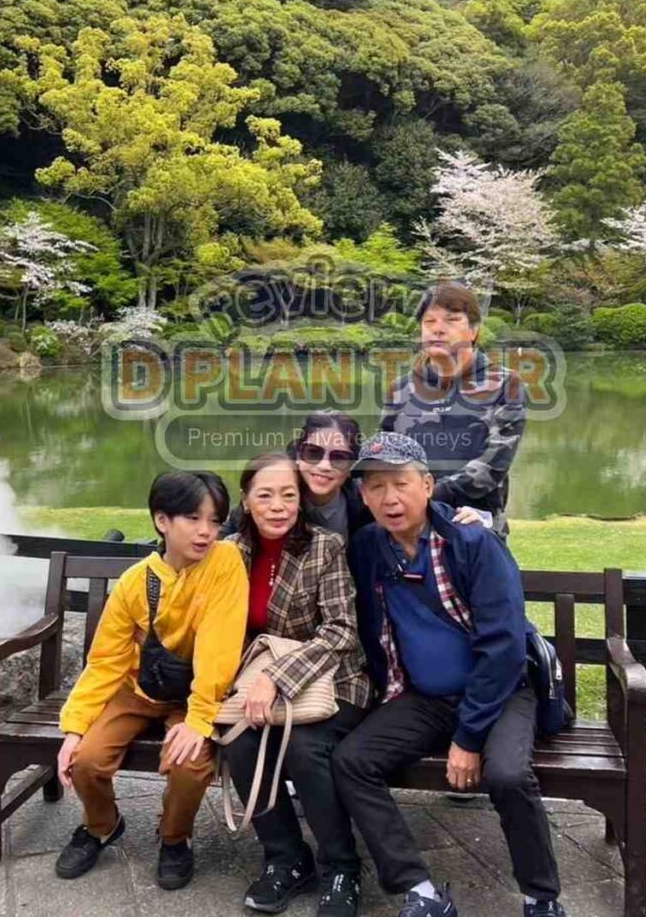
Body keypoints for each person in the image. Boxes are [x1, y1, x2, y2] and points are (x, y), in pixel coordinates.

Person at [333, 431, 565, 917]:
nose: (390, 498)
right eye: (375, 486)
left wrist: (469, 735)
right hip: (423, 698)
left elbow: (503, 648)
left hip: (501, 693)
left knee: (507, 774)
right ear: (362, 495)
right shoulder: (368, 547)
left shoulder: (472, 542)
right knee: (352, 761)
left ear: (427, 485)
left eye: (401, 483)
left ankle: (540, 896)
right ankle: (419, 890)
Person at [55, 471, 249, 890]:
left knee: (189, 765)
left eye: (215, 520)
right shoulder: (134, 582)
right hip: (138, 689)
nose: (206, 531)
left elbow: (219, 647)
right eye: (193, 518)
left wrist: (199, 719)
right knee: (85, 760)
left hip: (195, 693)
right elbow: (105, 661)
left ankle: (175, 837)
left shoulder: (225, 563)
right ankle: (101, 826)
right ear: (162, 520)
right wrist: (74, 727)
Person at [222, 451, 371, 917]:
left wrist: (278, 677)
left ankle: (342, 866)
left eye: (288, 495)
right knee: (240, 742)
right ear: (246, 500)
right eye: (265, 495)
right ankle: (286, 859)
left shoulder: (325, 547)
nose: (278, 506)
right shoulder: (229, 553)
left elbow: (342, 632)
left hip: (334, 681)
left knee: (305, 749)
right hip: (257, 685)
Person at [381, 281, 526, 537]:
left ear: (474, 330)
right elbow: (384, 454)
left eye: (451, 320)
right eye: (429, 321)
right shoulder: (401, 388)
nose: (438, 329)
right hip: (409, 529)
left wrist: (426, 495)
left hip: (476, 526)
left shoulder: (505, 384)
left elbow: (494, 463)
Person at [220, 411, 490, 543]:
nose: (324, 466)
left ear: (352, 465)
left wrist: (477, 518)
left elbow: (421, 505)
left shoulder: (369, 496)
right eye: (314, 452)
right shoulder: (275, 492)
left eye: (339, 457)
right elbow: (224, 536)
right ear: (299, 454)